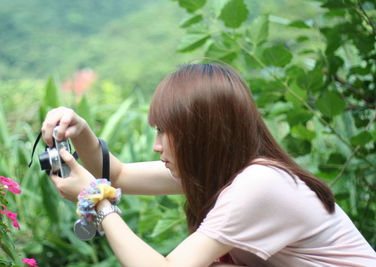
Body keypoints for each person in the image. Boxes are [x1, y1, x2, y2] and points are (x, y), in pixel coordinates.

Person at [41, 63, 376, 267]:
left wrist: (96, 200)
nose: (157, 145)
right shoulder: (226, 169)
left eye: (164, 132)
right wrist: (80, 129)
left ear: (203, 133)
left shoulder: (259, 184)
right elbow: (120, 174)